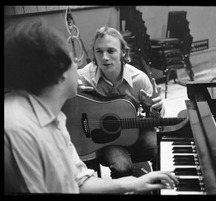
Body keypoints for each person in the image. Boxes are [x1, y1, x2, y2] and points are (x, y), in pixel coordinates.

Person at [4, 18, 178, 194]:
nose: (79, 65)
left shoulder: (55, 120)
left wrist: (133, 183)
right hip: (105, 141)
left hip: (131, 134)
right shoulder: (19, 129)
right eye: (73, 60)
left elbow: (79, 180)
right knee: (120, 163)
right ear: (58, 72)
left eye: (111, 51)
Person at [77, 26, 165, 178]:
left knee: (158, 147)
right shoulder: (83, 77)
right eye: (99, 51)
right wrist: (71, 91)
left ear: (123, 52)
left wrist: (156, 109)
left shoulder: (140, 79)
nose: (104, 57)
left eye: (111, 51)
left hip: (135, 131)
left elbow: (157, 120)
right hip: (104, 139)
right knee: (122, 167)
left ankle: (160, 186)